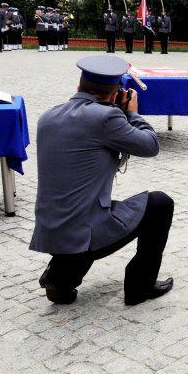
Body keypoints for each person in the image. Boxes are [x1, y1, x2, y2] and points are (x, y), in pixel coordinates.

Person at [30, 56, 174, 306]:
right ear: (114, 93)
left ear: (78, 87)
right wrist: (132, 113)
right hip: (83, 230)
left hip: (50, 229)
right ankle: (140, 287)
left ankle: (61, 276)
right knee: (160, 204)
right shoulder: (107, 119)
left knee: (87, 207)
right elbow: (151, 145)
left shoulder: (48, 116)